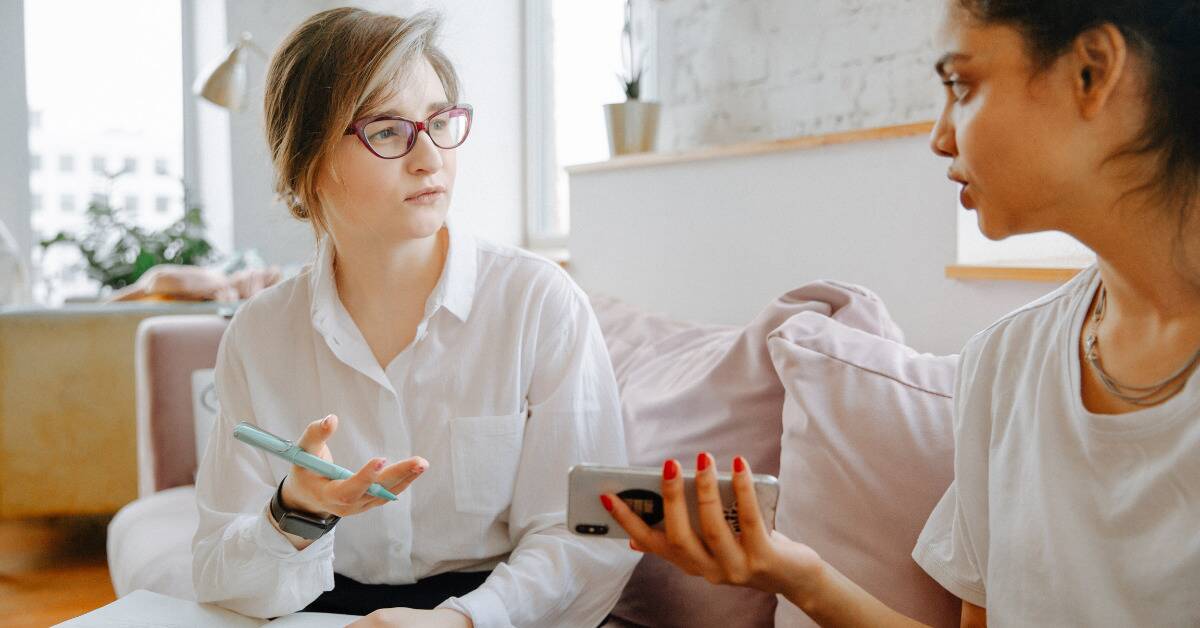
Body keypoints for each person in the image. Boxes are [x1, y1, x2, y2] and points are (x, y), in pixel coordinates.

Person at [604, 1, 1200, 625]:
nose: (941, 135)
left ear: (1092, 70)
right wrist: (793, 573)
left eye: (962, 85)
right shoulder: (1006, 362)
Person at [192, 8, 637, 627]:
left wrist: (464, 621)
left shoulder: (538, 302)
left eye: (439, 122)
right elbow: (219, 569)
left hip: (493, 612)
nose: (430, 157)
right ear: (307, 161)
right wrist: (296, 509)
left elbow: (586, 537)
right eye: (388, 130)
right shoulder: (260, 333)